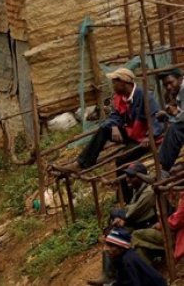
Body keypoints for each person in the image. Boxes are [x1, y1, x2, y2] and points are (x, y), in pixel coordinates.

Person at [63, 67, 161, 201]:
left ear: (124, 82)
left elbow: (156, 118)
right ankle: (82, 163)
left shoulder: (144, 96)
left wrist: (150, 135)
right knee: (104, 129)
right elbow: (114, 116)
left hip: (143, 139)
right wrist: (114, 126)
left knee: (121, 161)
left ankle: (125, 198)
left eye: (115, 81)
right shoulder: (120, 98)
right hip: (130, 133)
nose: (113, 85)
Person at [91, 162, 157, 285]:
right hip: (137, 222)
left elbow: (133, 210)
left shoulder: (148, 192)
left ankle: (114, 275)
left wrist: (122, 216)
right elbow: (130, 209)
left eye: (131, 177)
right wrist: (122, 216)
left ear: (141, 177)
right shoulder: (137, 189)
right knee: (111, 235)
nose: (128, 179)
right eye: (127, 176)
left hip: (146, 225)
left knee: (116, 233)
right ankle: (108, 274)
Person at [157, 69, 184, 170]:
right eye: (165, 85)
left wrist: (173, 113)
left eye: (171, 82)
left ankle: (164, 168)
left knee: (175, 129)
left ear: (180, 79)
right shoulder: (174, 92)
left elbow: (182, 118)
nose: (168, 87)